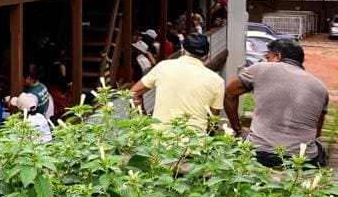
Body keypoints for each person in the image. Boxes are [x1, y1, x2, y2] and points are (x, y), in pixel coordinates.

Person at [224, 38, 329, 168]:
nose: (266, 61)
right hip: (303, 159)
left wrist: (238, 128)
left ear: (277, 57)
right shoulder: (321, 88)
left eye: (268, 57)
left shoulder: (260, 69)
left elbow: (230, 93)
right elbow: (317, 132)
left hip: (260, 154)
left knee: (237, 142)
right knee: (320, 148)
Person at [129, 32, 223, 133]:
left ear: (182, 50)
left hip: (159, 138)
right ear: (206, 56)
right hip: (195, 140)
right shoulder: (217, 81)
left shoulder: (163, 67)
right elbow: (213, 122)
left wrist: (144, 121)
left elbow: (134, 92)